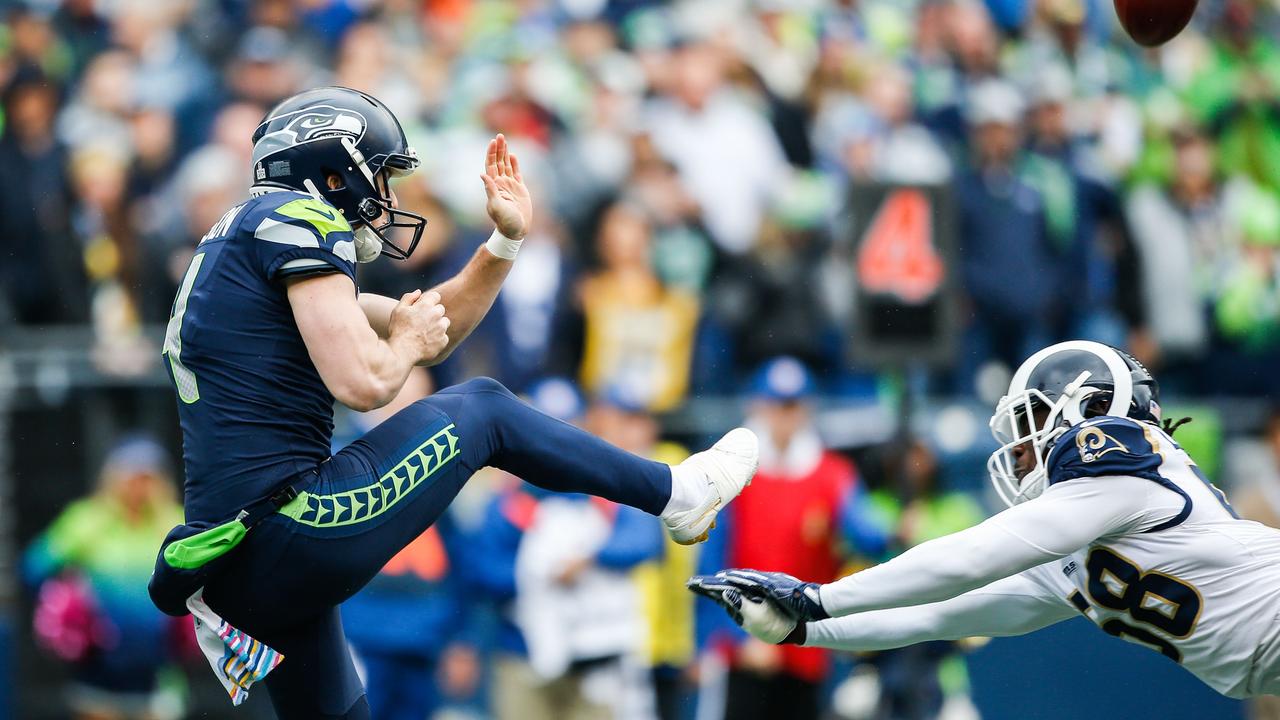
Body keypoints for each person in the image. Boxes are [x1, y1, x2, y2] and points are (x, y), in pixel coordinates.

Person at [145, 86, 759, 720]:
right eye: (378, 176)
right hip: (287, 522)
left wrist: (502, 245)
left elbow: (430, 330)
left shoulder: (245, 243)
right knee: (485, 407)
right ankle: (676, 494)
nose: (386, 198)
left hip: (244, 557)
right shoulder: (295, 220)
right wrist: (407, 341)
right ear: (331, 170)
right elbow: (365, 382)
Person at [692, 340, 1280, 700]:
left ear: (1086, 409)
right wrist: (802, 629)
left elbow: (975, 555)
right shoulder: (1079, 541)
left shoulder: (1119, 455)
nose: (1021, 447)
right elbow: (938, 612)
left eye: (1032, 419)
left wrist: (818, 599)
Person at [694, 357, 887, 720]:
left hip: (804, 649)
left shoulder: (831, 474)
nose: (785, 416)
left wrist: (891, 529)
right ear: (758, 407)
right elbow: (711, 563)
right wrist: (734, 637)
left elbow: (867, 533)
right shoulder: (731, 479)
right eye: (777, 405)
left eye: (793, 406)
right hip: (744, 651)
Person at [24, 436, 187, 720]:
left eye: (147, 478)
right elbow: (33, 568)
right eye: (130, 476)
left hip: (160, 672)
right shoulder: (86, 519)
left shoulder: (175, 523)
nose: (138, 487)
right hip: (98, 671)